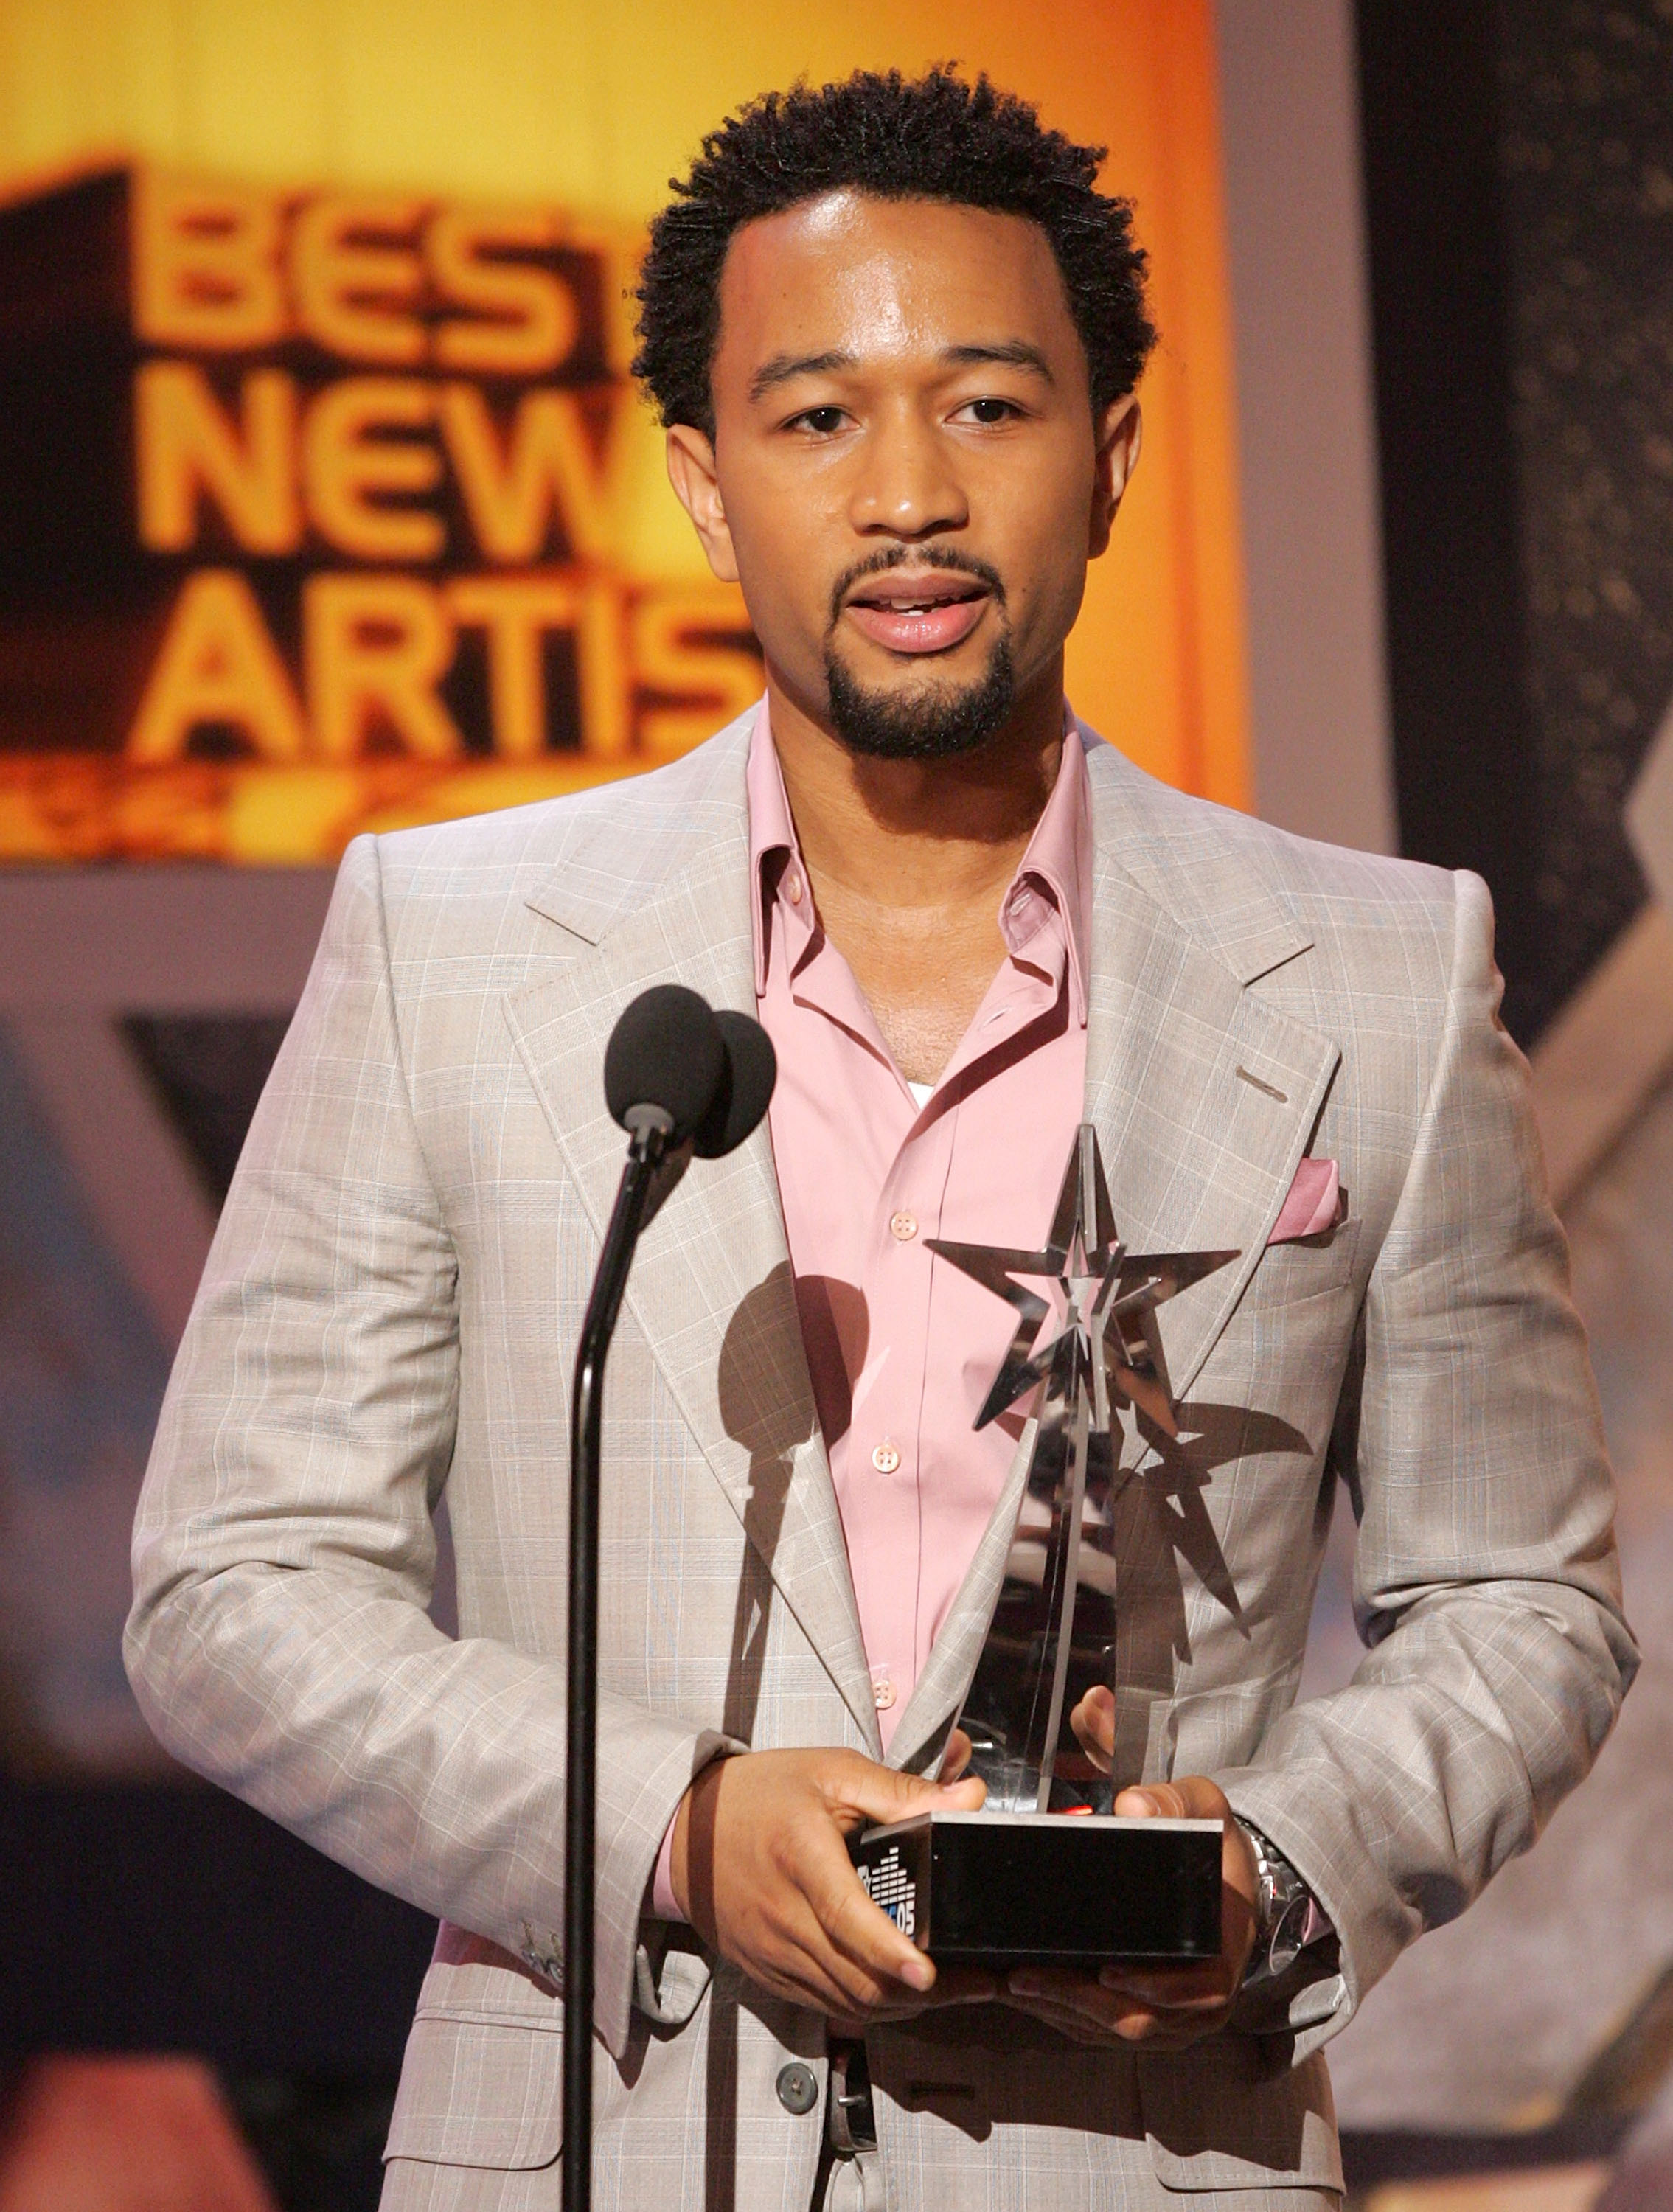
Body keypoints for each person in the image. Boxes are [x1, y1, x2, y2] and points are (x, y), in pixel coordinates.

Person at [126, 66, 1635, 2212]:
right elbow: (233, 1585)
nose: (907, 493)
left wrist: (1284, 1870)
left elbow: (1522, 1602)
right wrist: (667, 1823)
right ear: (706, 481)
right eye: (819, 415)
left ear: (1111, 459)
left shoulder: (1380, 973)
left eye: (990, 407)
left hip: (1140, 2151)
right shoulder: (449, 943)